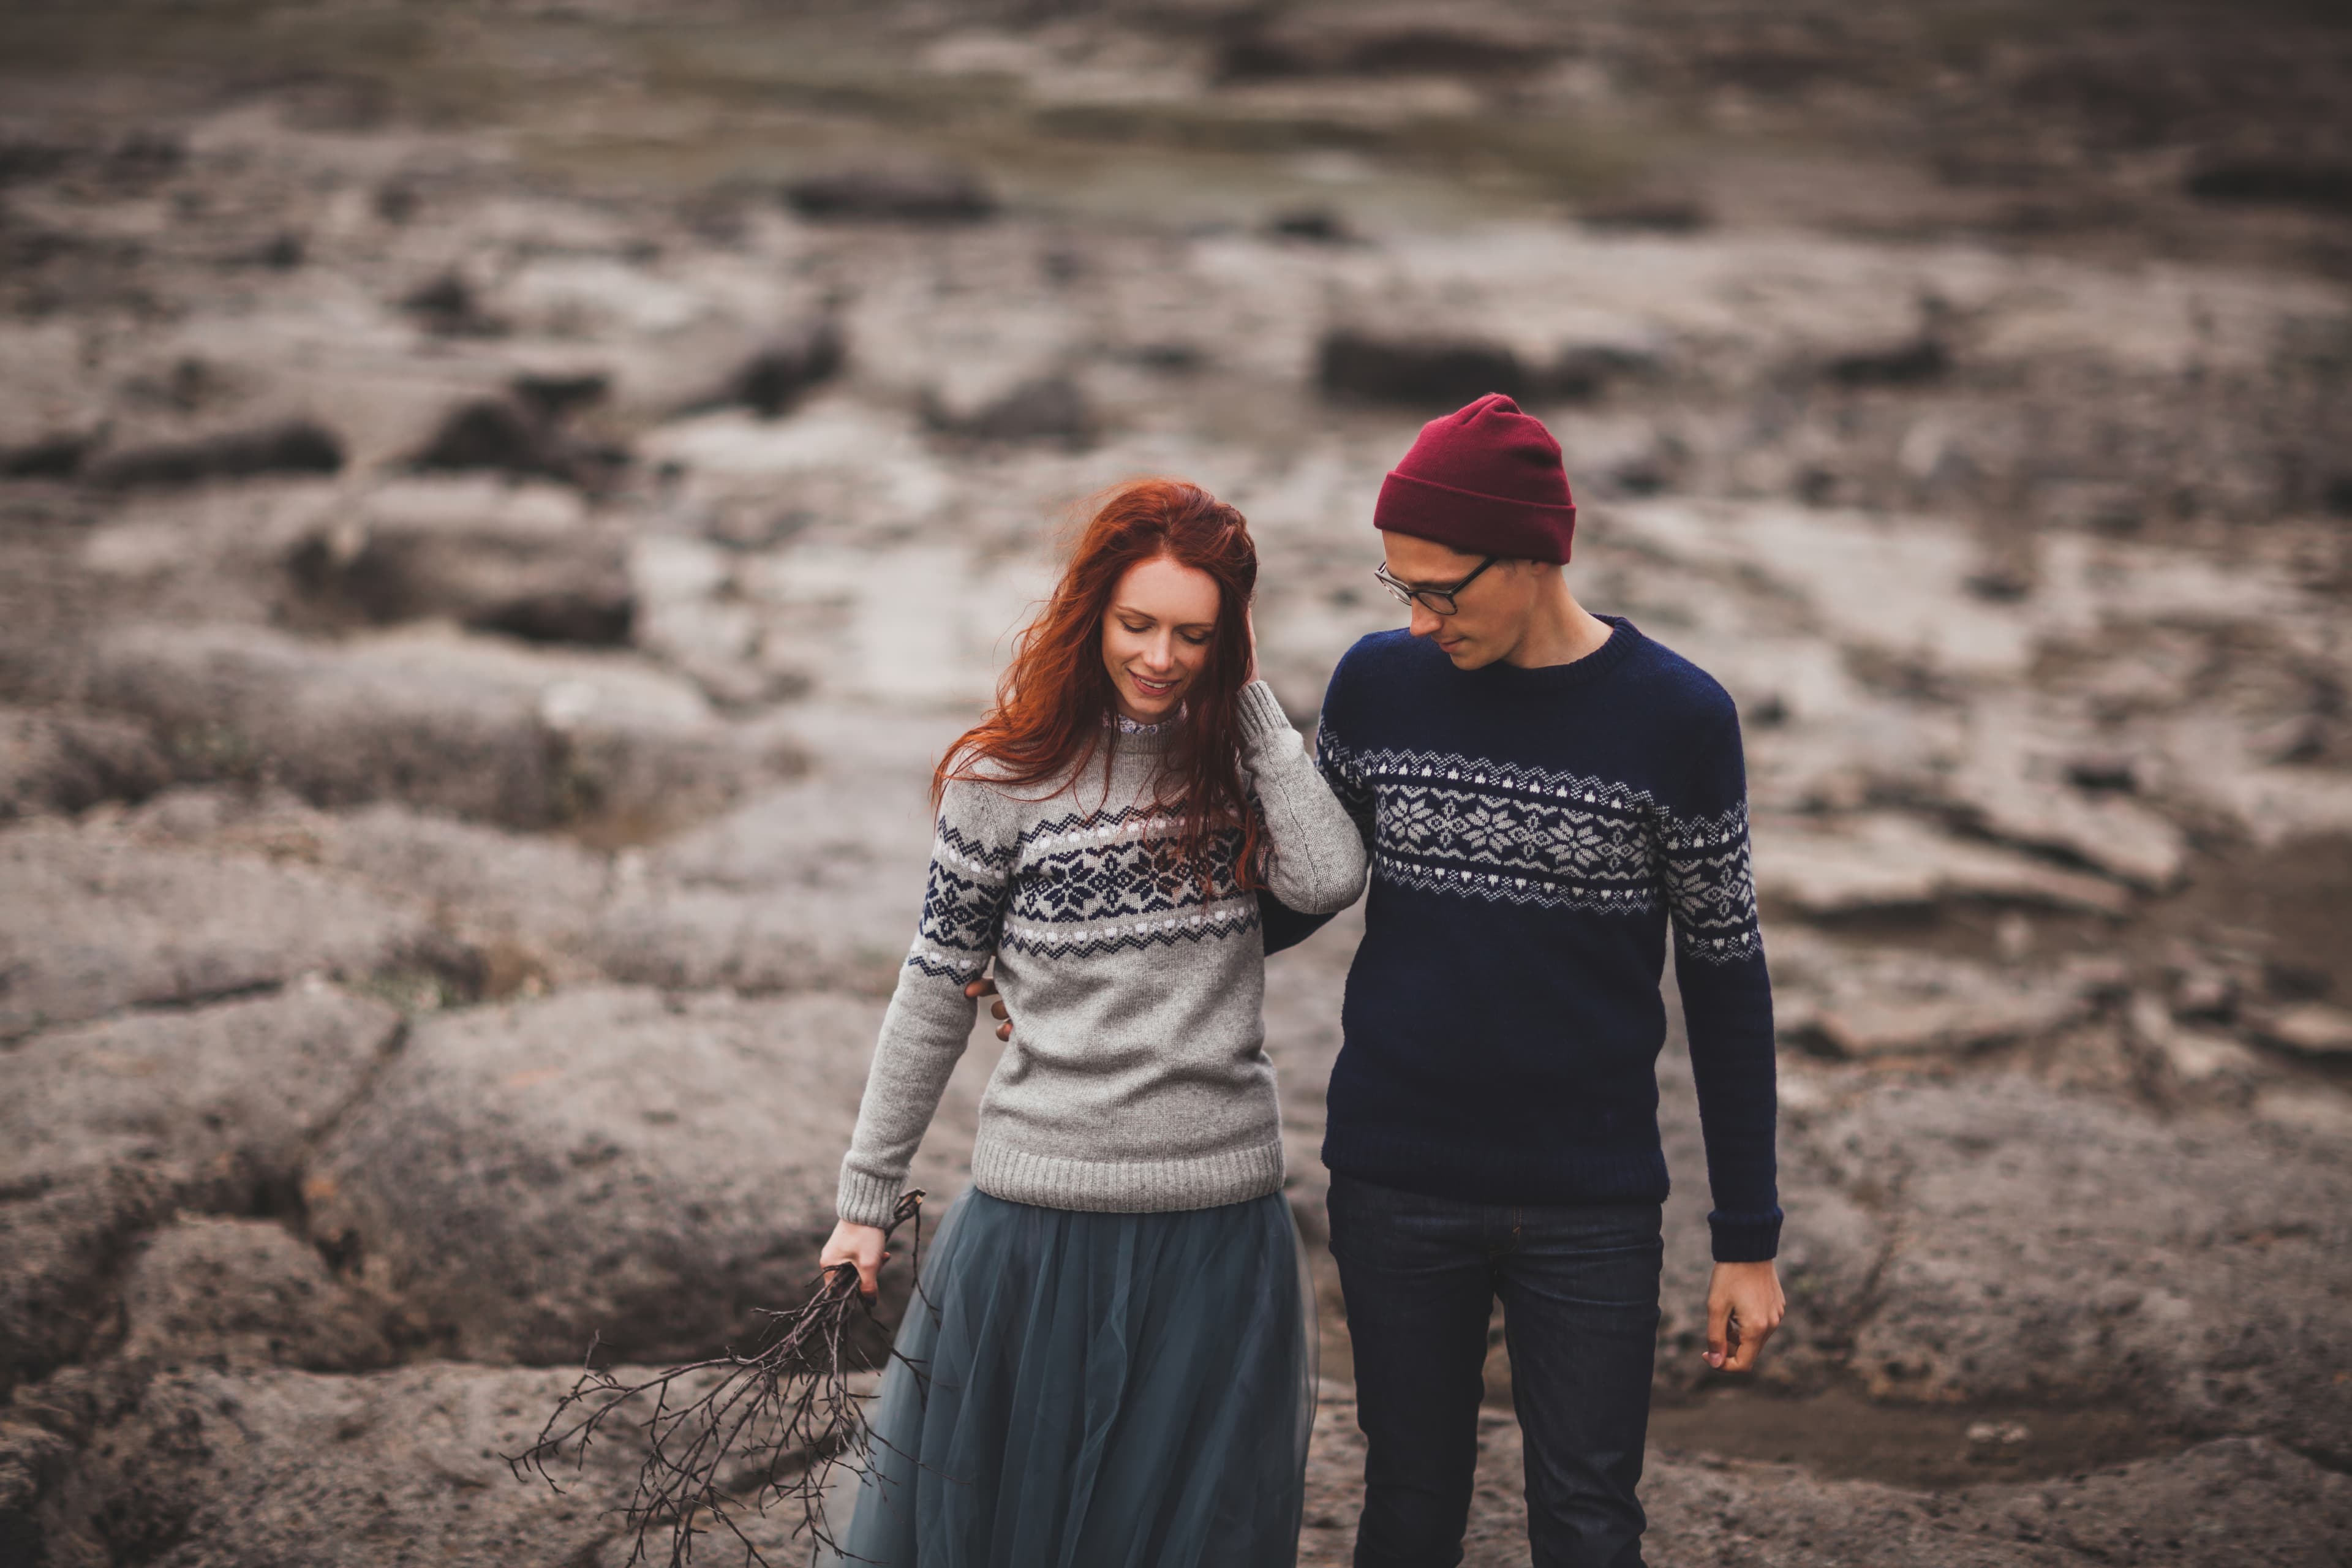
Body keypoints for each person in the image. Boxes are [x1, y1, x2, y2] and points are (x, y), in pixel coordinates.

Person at [819, 477, 1368, 1568]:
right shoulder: (1003, 778)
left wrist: (1254, 706)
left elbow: (1331, 874)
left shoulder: (1234, 769)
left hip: (1220, 1224)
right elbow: (935, 987)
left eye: (1195, 636)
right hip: (1039, 1225)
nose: (1162, 657)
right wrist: (865, 1198)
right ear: (1091, 614)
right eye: (1138, 624)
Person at [1306, 393, 1786, 1567]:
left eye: (1441, 591)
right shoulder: (1376, 687)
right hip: (1396, 1182)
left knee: (1587, 1520)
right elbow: (1286, 896)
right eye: (1398, 590)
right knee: (1408, 1508)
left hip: (1592, 1203)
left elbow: (1727, 978)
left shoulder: (1679, 717)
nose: (1419, 623)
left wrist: (1748, 1239)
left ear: (1532, 556)